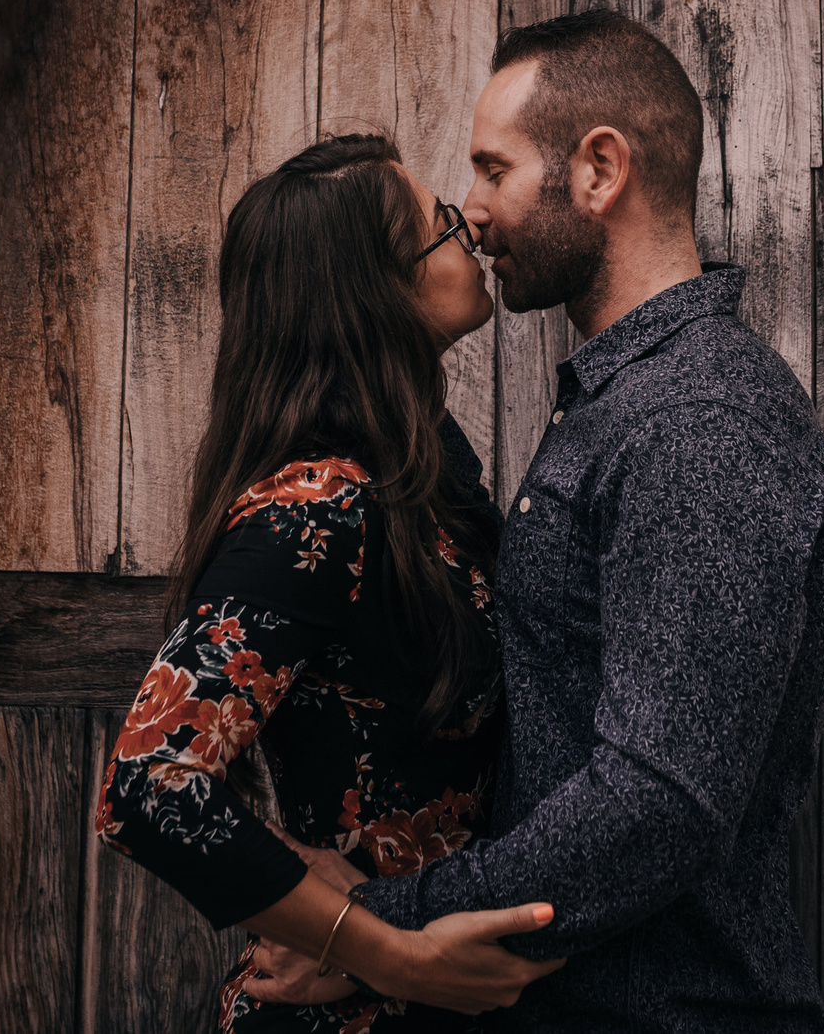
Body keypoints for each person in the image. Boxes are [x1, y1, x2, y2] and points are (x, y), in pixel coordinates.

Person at [247, 11, 824, 1031]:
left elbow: (660, 799)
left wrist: (371, 928)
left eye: (493, 169)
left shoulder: (699, 420)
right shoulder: (623, 404)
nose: (470, 211)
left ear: (598, 170)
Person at [94, 133, 565, 1027]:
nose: (465, 219)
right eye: (437, 224)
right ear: (376, 291)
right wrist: (393, 954)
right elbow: (150, 787)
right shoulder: (318, 505)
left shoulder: (423, 471)